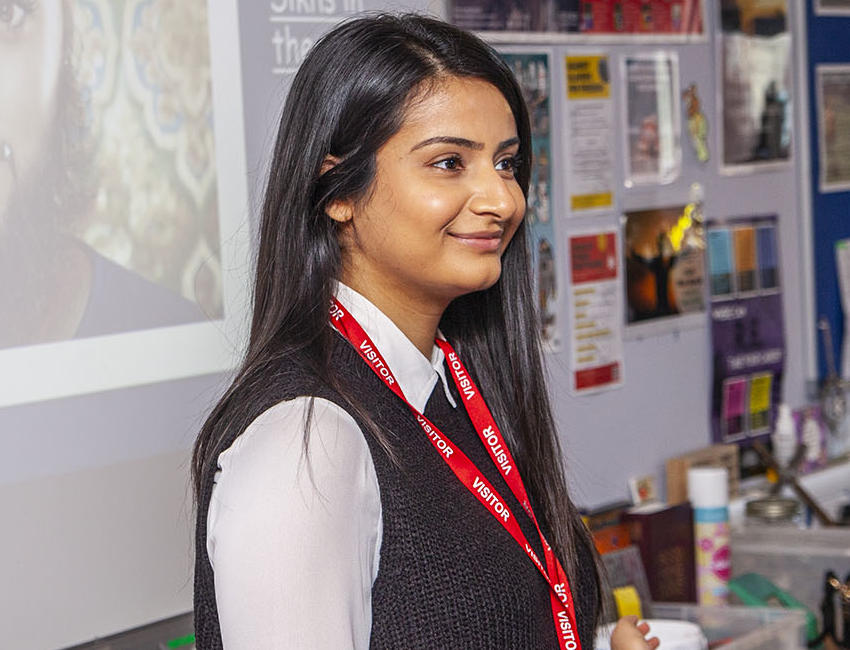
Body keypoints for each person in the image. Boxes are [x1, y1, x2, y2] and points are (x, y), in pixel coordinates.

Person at [192, 13, 659, 650]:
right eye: (448, 163)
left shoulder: (454, 388)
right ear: (338, 191)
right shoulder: (307, 441)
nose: (501, 198)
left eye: (505, 163)